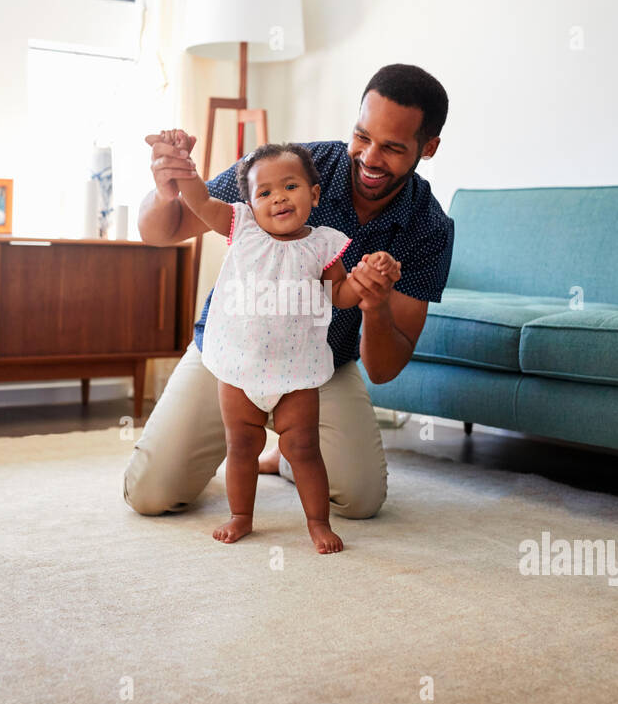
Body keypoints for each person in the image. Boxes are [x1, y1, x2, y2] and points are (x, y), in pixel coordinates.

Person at [124, 63, 455, 523]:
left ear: (429, 147)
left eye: (393, 148)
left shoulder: (429, 228)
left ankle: (284, 457)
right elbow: (163, 231)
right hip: (231, 356)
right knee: (150, 494)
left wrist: (374, 306)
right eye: (362, 136)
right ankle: (243, 446)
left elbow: (382, 369)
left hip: (316, 367)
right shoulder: (289, 167)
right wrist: (165, 191)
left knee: (360, 500)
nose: (370, 157)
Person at [160, 133, 401, 552]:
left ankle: (316, 522)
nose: (279, 199)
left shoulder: (324, 244)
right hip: (238, 367)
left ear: (314, 192)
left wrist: (366, 282)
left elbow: (339, 294)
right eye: (265, 192)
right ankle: (241, 516)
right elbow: (199, 202)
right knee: (242, 447)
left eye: (290, 187)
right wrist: (184, 168)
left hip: (297, 373)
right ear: (250, 203)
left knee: (304, 448)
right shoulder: (243, 227)